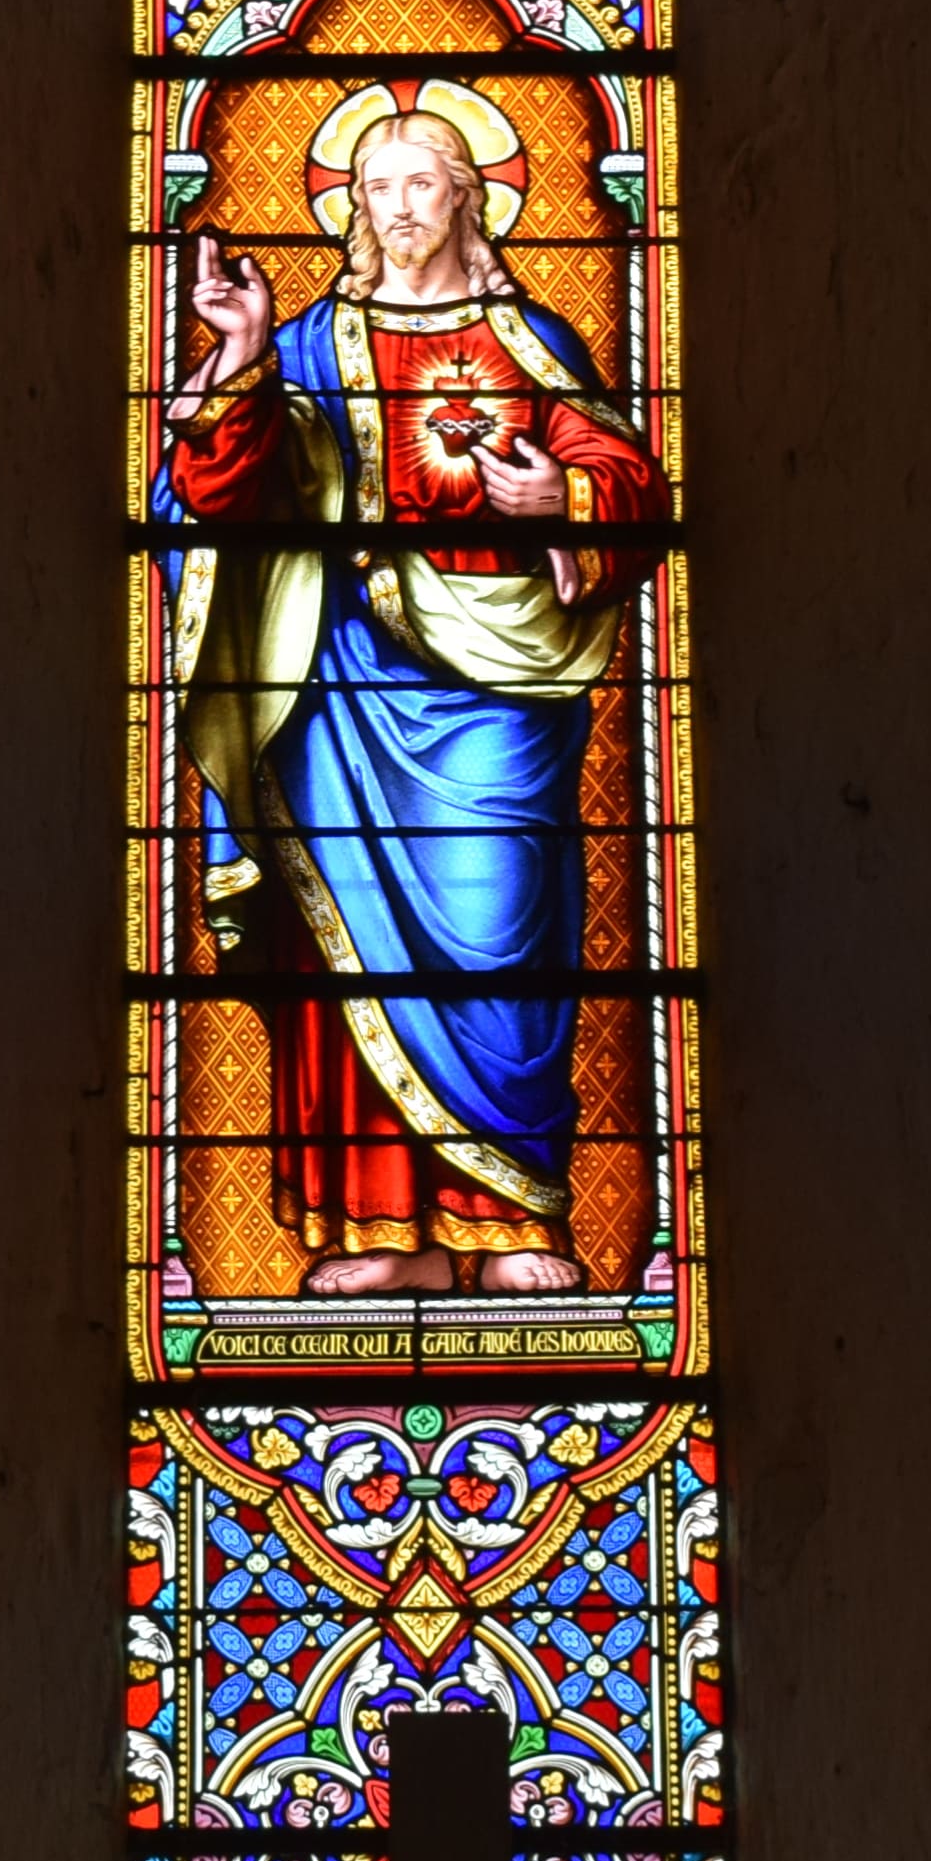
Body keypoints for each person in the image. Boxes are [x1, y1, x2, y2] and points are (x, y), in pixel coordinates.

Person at [156, 100, 658, 1295]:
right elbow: (217, 498)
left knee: (503, 934)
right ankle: (380, 1233)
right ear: (354, 209)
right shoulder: (315, 345)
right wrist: (239, 358)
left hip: (505, 703)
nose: (399, 208)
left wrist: (564, 508)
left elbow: (626, 472)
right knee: (351, 959)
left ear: (468, 200)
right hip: (344, 687)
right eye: (377, 189)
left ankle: (517, 1216)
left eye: (423, 185)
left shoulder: (531, 339)